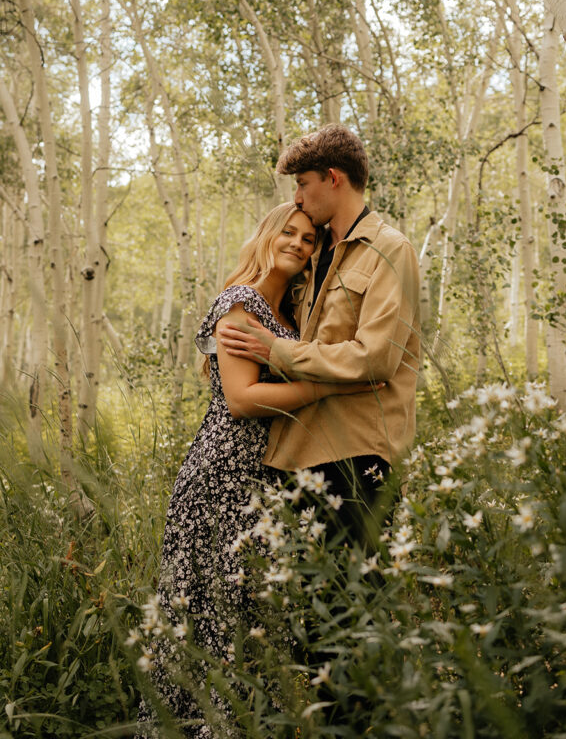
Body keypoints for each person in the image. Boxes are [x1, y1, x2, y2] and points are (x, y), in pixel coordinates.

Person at [136, 202, 376, 739]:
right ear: (266, 236)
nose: (298, 243)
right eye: (287, 232)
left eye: (309, 238)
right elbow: (242, 399)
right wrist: (328, 388)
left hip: (263, 475)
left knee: (247, 613)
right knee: (211, 609)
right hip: (223, 471)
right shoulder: (239, 303)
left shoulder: (288, 317)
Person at [218, 124, 421, 543]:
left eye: (303, 184)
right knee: (306, 604)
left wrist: (278, 351)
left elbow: (375, 357)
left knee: (356, 598)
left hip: (359, 454)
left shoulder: (390, 249)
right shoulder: (310, 253)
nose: (297, 198)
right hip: (295, 458)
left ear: (333, 178)